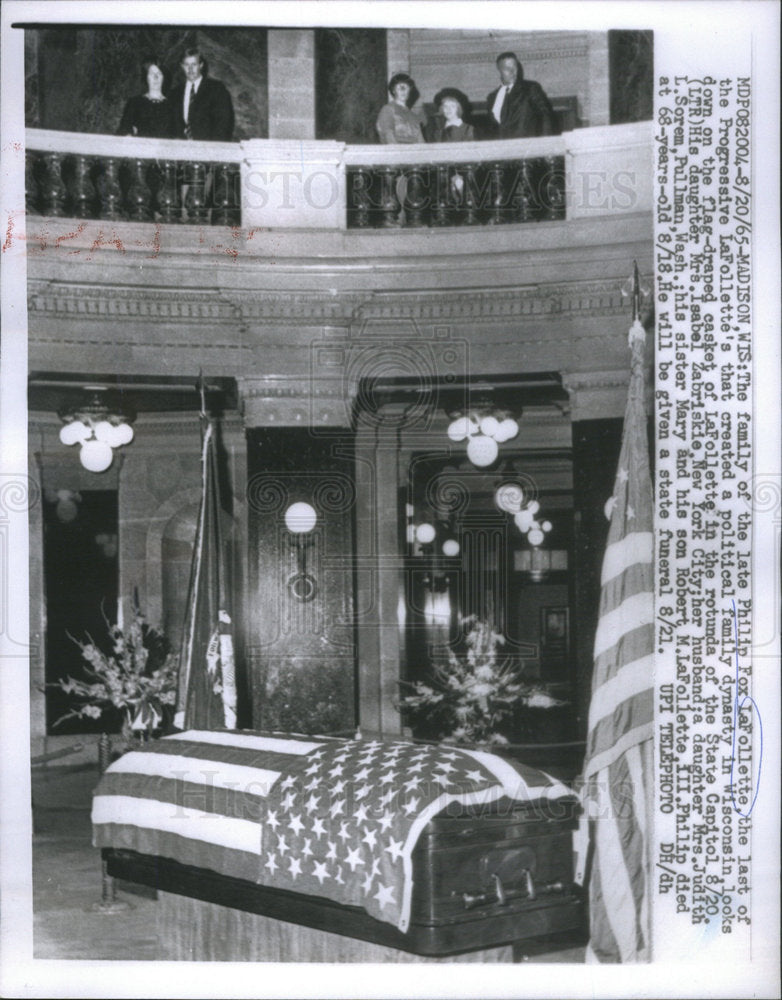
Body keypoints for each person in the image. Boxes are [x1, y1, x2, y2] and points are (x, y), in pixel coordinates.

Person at [486, 52, 557, 139]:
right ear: (499, 70)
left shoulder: (530, 88)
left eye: (514, 67)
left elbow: (546, 115)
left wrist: (545, 144)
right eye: (507, 68)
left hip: (526, 148)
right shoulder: (491, 98)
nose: (513, 72)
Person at [170, 47, 234, 142]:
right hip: (181, 150)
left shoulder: (216, 89)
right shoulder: (174, 93)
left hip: (208, 151)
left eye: (194, 64)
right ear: (182, 66)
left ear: (201, 65)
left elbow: (224, 124)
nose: (190, 69)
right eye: (187, 65)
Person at [117, 57, 176, 138]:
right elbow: (124, 130)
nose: (156, 77)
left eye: (159, 74)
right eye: (152, 74)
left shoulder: (173, 106)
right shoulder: (134, 103)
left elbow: (178, 136)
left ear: (163, 78)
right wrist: (129, 134)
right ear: (146, 78)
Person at [375, 73, 426, 144]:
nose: (403, 91)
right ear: (393, 90)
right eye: (399, 88)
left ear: (410, 90)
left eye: (406, 87)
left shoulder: (413, 116)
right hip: (397, 152)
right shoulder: (388, 110)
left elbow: (421, 141)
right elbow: (388, 136)